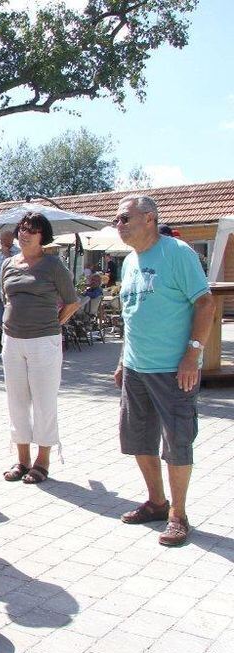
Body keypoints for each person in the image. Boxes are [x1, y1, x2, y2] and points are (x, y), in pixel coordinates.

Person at [113, 196, 214, 547]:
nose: (119, 224)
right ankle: (157, 503)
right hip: (137, 368)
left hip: (174, 368)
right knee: (139, 439)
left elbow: (205, 303)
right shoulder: (129, 262)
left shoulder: (178, 253)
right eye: (117, 219)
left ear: (150, 219)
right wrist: (123, 360)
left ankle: (178, 515)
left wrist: (193, 354)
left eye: (125, 218)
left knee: (177, 442)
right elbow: (131, 314)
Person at [0, 212, 80, 485]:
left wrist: (53, 326)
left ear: (43, 236)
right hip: (12, 340)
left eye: (31, 230)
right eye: (22, 229)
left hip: (44, 342)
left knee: (44, 401)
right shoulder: (8, 264)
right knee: (16, 401)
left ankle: (42, 461)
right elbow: (5, 298)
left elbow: (71, 302)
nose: (24, 234)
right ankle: (21, 459)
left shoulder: (53, 265)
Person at [0, 228, 20, 330]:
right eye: (0, 239)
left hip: (13, 296)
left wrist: (7, 254)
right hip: (0, 295)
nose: (0, 242)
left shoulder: (19, 253)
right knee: (0, 323)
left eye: (3, 239)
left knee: (11, 324)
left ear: (11, 239)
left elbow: (15, 270)